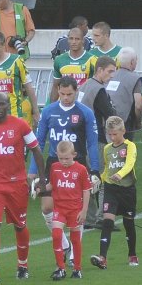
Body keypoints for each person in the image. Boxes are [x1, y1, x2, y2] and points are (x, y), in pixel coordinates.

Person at [29, 76, 101, 266]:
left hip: (77, 163)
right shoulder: (49, 111)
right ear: (58, 91)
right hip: (54, 163)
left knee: (76, 211)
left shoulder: (85, 113)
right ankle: (65, 244)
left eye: (70, 94)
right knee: (46, 207)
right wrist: (33, 170)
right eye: (62, 94)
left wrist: (95, 170)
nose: (66, 97)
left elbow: (93, 143)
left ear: (76, 92)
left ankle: (72, 255)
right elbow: (39, 142)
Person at [0, 92, 45, 282]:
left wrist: (42, 178)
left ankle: (22, 264)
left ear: (8, 105)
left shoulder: (21, 125)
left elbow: (36, 150)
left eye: (1, 104)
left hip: (17, 183)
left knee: (19, 225)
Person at [90, 116, 139, 271]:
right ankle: (102, 257)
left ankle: (132, 254)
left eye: (115, 134)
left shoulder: (130, 146)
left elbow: (130, 163)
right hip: (111, 189)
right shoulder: (107, 149)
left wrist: (121, 174)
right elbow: (107, 169)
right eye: (109, 134)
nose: (112, 137)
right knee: (107, 221)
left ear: (123, 131)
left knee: (128, 223)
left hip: (127, 190)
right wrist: (98, 180)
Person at [77, 55, 118, 227]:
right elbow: (110, 114)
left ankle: (89, 217)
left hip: (79, 139)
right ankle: (102, 217)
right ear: (99, 70)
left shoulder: (84, 86)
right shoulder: (99, 90)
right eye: (109, 71)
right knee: (102, 178)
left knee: (86, 179)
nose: (112, 75)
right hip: (96, 139)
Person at [46, 140, 91, 280]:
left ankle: (77, 269)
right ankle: (61, 267)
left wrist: (84, 211)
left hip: (75, 209)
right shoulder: (54, 167)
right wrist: (39, 187)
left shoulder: (81, 169)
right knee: (56, 235)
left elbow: (86, 190)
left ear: (74, 155)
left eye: (67, 158)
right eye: (61, 158)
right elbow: (51, 185)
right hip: (59, 208)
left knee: (75, 239)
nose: (64, 161)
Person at [0, 30, 40, 125]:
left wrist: (36, 110)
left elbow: (28, 87)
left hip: (14, 116)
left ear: (4, 45)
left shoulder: (17, 60)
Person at [49, 26, 97, 102]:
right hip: (65, 102)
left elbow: (97, 86)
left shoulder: (92, 59)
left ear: (83, 40)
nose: (74, 42)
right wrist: (51, 107)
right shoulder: (59, 59)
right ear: (68, 40)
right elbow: (55, 86)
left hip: (85, 103)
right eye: (71, 38)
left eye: (77, 39)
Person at [107, 47, 142, 141]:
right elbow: (138, 105)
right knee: (124, 151)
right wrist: (138, 122)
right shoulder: (135, 78)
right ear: (132, 62)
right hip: (124, 122)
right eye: (136, 60)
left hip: (107, 120)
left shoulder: (109, 75)